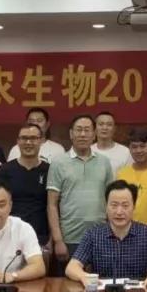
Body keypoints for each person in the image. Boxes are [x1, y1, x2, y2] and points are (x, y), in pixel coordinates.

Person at [65, 180, 147, 289]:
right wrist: (83, 276)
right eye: (114, 205)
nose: (119, 212)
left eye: (125, 206)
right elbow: (71, 267)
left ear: (134, 207)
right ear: (106, 207)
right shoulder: (93, 235)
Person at [47, 115, 115, 271]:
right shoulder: (58, 162)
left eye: (87, 130)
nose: (83, 134)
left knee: (99, 284)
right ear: (71, 134)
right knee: (67, 285)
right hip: (69, 239)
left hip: (100, 237)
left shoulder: (104, 162)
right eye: (79, 130)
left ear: (94, 134)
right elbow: (51, 205)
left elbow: (111, 201)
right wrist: (58, 240)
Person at [0, 123, 51, 246]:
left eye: (33, 138)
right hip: (10, 235)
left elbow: (53, 206)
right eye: (24, 138)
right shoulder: (5, 170)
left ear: (41, 141)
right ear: (18, 141)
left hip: (41, 236)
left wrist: (52, 240)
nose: (28, 142)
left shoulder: (49, 170)